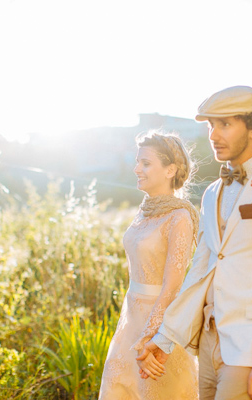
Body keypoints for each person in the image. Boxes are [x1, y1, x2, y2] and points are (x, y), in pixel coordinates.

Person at [137, 86, 252, 400]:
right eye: (210, 126)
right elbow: (200, 272)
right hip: (207, 343)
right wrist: (166, 337)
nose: (213, 135)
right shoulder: (211, 193)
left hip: (251, 349)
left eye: (224, 124)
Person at [99, 131, 199, 399]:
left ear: (170, 170)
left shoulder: (179, 217)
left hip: (161, 322)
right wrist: (134, 330)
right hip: (130, 317)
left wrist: (149, 335)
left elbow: (173, 284)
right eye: (137, 162)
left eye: (145, 163)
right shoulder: (145, 210)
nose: (136, 169)